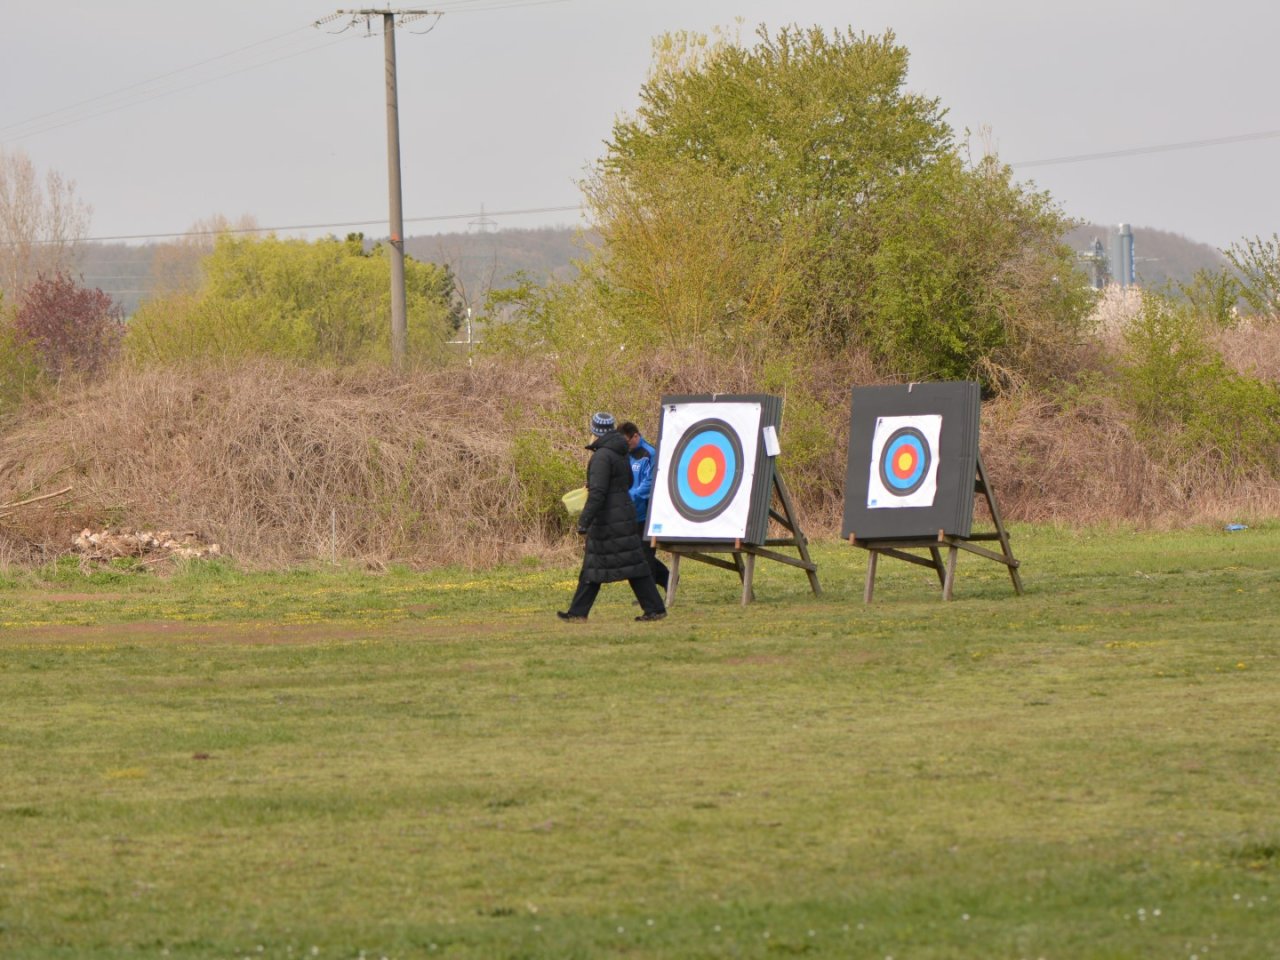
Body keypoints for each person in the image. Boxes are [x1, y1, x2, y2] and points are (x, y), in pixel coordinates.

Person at [559, 412, 667, 622]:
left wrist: (584, 521)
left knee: (596, 565)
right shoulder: (621, 453)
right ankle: (654, 608)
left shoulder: (601, 456)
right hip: (624, 514)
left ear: (594, 431)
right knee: (632, 564)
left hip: (608, 519)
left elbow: (598, 493)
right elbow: (627, 483)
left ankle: (578, 613)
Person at [619, 420, 670, 594]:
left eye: (627, 441)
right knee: (632, 555)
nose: (625, 445)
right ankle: (668, 579)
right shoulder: (625, 454)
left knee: (645, 557)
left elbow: (650, 483)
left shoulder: (650, 454)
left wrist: (632, 497)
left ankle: (650, 597)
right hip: (630, 513)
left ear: (636, 436)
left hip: (647, 514)